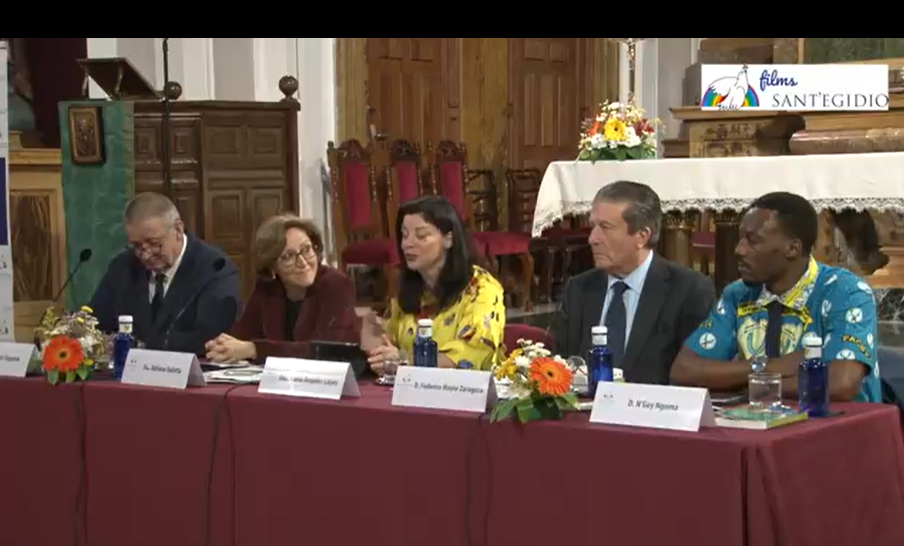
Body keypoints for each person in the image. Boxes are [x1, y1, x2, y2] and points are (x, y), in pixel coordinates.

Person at [672, 192, 880, 402]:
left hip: (838, 419)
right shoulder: (738, 294)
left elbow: (842, 383)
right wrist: (767, 367)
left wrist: (752, 386)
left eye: (752, 241)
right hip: (755, 418)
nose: (739, 250)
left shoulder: (846, 292)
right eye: (740, 239)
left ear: (792, 248)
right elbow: (684, 370)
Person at [553, 181, 715, 384]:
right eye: (593, 226)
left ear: (641, 236)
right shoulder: (579, 289)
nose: (593, 239)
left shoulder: (688, 290)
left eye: (605, 228)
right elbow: (559, 367)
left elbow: (694, 374)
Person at [363, 196, 505, 372]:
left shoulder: (481, 287)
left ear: (449, 239)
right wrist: (376, 345)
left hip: (470, 387)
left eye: (421, 236)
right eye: (404, 235)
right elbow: (389, 344)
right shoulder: (409, 289)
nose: (407, 244)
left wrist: (406, 361)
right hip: (413, 386)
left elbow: (469, 354)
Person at [89, 192, 240, 354]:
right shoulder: (123, 266)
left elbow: (211, 338)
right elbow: (95, 323)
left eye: (154, 243)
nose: (145, 255)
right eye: (137, 246)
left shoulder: (214, 269)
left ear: (178, 229)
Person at [205, 214, 359, 363]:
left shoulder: (337, 285)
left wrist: (255, 350)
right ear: (271, 266)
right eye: (288, 256)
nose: (303, 262)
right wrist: (222, 347)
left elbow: (323, 351)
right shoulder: (267, 286)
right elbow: (242, 335)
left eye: (306, 249)